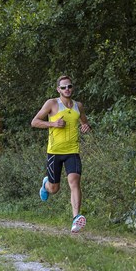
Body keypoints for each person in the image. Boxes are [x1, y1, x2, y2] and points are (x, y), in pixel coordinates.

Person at [31, 75, 91, 233]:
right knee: (54, 188)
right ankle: (46, 184)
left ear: (73, 88)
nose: (67, 89)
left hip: (72, 151)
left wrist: (85, 127)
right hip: (54, 153)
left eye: (69, 86)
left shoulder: (78, 106)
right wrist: (53, 123)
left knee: (74, 181)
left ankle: (76, 218)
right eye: (63, 87)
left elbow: (84, 123)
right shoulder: (52, 104)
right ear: (58, 89)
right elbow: (35, 121)